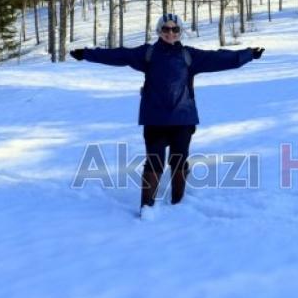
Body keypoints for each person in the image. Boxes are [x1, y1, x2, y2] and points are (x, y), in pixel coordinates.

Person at [70, 13, 264, 213]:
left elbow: (220, 58)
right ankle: (146, 207)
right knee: (154, 162)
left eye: (175, 29)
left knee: (179, 160)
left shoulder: (190, 56)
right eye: (166, 29)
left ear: (180, 31)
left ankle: (178, 204)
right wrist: (86, 54)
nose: (170, 33)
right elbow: (119, 55)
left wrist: (248, 54)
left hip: (183, 117)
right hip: (155, 119)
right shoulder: (148, 53)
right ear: (159, 31)